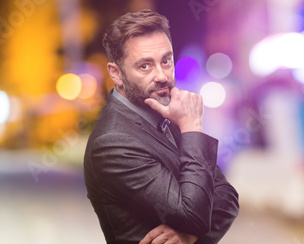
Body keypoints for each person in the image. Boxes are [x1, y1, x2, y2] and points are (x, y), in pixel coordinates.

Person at [83, 9, 239, 244]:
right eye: (145, 66)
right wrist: (192, 125)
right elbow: (195, 215)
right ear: (116, 73)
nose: (162, 75)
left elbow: (228, 198)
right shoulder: (113, 141)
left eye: (166, 61)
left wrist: (191, 235)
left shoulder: (164, 112)